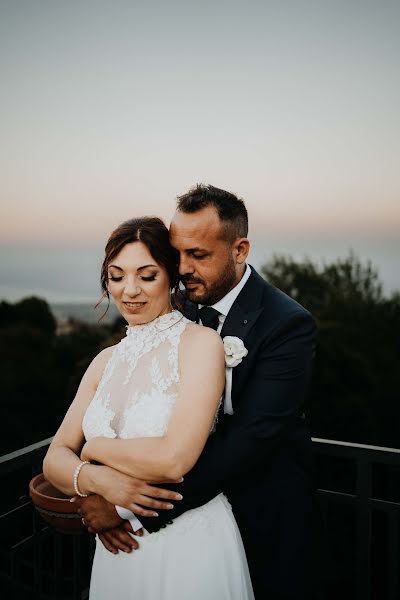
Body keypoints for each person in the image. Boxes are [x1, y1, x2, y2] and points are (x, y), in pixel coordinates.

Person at [79, 184, 319, 600]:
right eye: (178, 254)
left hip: (261, 513)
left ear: (240, 250)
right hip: (183, 515)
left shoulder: (287, 325)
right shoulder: (178, 308)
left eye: (199, 255)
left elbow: (248, 441)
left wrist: (128, 507)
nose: (183, 268)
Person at [43, 216, 254, 599]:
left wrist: (92, 451)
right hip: (116, 551)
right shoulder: (104, 361)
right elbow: (54, 457)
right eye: (117, 276)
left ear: (171, 277)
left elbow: (174, 459)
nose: (129, 291)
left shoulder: (200, 344)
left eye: (146, 275)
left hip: (188, 546)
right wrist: (97, 480)